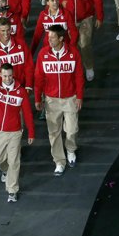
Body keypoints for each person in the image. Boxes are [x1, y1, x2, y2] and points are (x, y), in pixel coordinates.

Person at [34, 25, 84, 176]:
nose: (49, 39)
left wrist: (80, 96)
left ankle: (70, 150)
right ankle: (59, 161)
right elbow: (39, 78)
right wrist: (38, 98)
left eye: (52, 37)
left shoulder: (73, 53)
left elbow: (79, 77)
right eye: (48, 37)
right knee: (54, 132)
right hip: (51, 100)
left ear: (61, 38)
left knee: (72, 130)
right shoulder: (43, 54)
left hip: (70, 98)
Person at [0, 63, 35, 202]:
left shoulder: (21, 91)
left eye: (10, 75)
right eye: (5, 76)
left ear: (13, 75)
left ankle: (12, 190)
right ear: (0, 75)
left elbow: (28, 113)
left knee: (14, 161)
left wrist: (31, 132)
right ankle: (4, 170)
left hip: (15, 132)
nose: (7, 78)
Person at [48, 0, 103, 82]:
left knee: (84, 45)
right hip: (68, 18)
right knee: (71, 46)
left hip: (86, 18)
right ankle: (74, 70)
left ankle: (89, 66)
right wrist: (61, 1)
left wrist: (100, 16)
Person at [0, 18, 34, 90]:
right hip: (0, 91)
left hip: (20, 88)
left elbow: (29, 66)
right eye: (3, 31)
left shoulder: (22, 44)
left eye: (8, 30)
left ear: (11, 29)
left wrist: (28, 85)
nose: (6, 34)